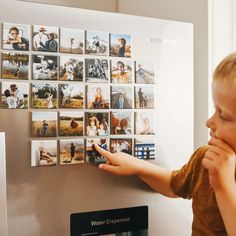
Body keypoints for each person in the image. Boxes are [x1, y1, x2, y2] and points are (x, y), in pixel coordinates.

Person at [94, 52, 236, 235]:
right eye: (214, 109)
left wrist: (224, 186)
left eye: (223, 115)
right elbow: (173, 184)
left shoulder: (220, 173)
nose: (209, 121)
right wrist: (137, 166)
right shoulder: (205, 157)